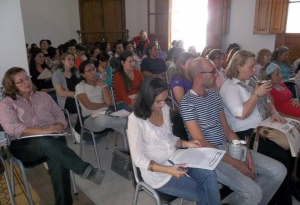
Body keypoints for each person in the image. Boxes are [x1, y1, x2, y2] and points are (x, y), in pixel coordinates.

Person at [180, 58, 286, 205]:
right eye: (212, 72)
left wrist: (245, 151)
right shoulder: (187, 103)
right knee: (253, 192)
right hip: (208, 155)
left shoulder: (214, 96)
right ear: (199, 75)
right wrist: (237, 163)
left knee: (278, 171)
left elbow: (227, 130)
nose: (217, 75)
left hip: (227, 147)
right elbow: (201, 142)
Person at [0, 67, 105, 205]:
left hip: (52, 139)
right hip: (24, 145)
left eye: (27, 78)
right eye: (20, 81)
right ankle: (86, 170)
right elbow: (12, 128)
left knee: (56, 156)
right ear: (11, 85)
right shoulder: (6, 103)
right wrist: (43, 131)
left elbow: (59, 115)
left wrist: (60, 125)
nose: (26, 82)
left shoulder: (43, 96)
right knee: (46, 143)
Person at [127, 77, 221, 205]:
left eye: (164, 100)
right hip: (158, 174)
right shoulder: (135, 120)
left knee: (209, 174)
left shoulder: (164, 109)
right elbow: (138, 159)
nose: (162, 105)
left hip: (175, 157)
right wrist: (168, 170)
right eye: (158, 101)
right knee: (205, 191)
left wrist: (185, 143)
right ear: (146, 99)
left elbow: (168, 137)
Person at [219, 50, 293, 205]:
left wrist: (273, 111)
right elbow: (240, 114)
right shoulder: (229, 87)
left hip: (263, 125)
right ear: (238, 66)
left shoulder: (251, 80)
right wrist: (256, 94)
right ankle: (277, 199)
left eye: (254, 66)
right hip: (245, 134)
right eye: (251, 66)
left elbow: (267, 100)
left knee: (289, 150)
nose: (254, 70)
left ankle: (282, 193)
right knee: (281, 157)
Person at [75, 60, 127, 147]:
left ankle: (129, 153)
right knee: (104, 120)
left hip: (108, 115)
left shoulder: (101, 83)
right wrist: (105, 105)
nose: (92, 72)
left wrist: (103, 86)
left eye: (93, 69)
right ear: (83, 75)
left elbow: (109, 102)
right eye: (89, 71)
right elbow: (89, 106)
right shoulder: (80, 87)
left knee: (127, 129)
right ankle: (126, 121)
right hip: (91, 119)